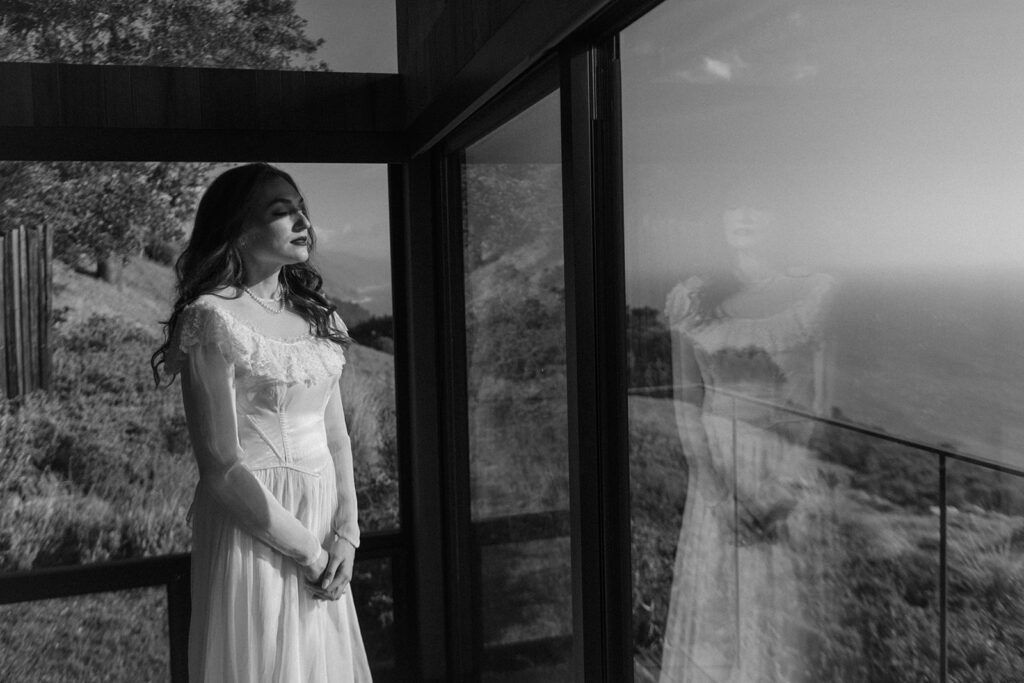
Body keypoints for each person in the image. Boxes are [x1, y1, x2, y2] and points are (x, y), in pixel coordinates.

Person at [151, 163, 372, 682]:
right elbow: (222, 466)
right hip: (255, 521)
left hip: (323, 520)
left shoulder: (322, 317)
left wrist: (346, 533)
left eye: (302, 209)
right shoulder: (211, 317)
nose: (302, 221)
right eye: (282, 211)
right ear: (239, 228)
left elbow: (336, 436)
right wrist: (309, 555)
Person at [659, 180, 836, 682]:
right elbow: (686, 401)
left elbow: (823, 406)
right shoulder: (691, 297)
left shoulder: (817, 291)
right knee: (719, 617)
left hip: (785, 475)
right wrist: (717, 496)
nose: (745, 215)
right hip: (720, 471)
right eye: (733, 203)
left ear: (782, 217)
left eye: (759, 203)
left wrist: (785, 492)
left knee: (782, 616)